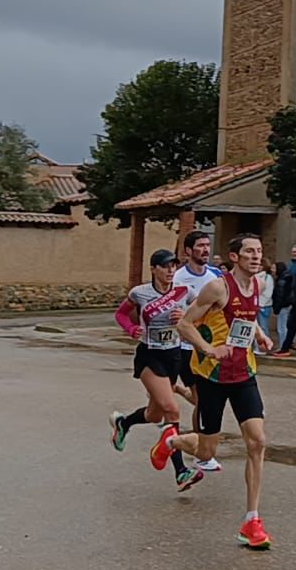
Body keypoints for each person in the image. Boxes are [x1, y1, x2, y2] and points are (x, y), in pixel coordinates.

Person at [154, 233, 275, 550]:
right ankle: (171, 441)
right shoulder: (218, 287)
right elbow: (185, 325)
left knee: (258, 442)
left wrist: (260, 335)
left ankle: (252, 520)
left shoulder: (258, 285)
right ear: (234, 256)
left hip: (244, 373)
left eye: (259, 251)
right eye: (249, 251)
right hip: (212, 377)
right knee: (206, 452)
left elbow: (246, 318)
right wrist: (208, 349)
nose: (255, 256)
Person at [109, 248, 203, 491]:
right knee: (171, 408)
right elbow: (121, 315)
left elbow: (203, 313)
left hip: (173, 355)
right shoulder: (140, 293)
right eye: (165, 266)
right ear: (153, 269)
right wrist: (131, 329)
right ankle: (181, 471)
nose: (170, 270)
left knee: (155, 415)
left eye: (173, 266)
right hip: (150, 356)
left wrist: (186, 316)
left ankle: (124, 422)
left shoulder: (184, 291)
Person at [172, 231, 226, 473]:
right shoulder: (178, 278)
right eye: (200, 246)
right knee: (203, 399)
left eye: (207, 245)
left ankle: (200, 444)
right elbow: (174, 310)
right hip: (187, 346)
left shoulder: (216, 276)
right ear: (188, 251)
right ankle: (200, 449)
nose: (205, 249)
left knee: (201, 399)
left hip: (213, 347)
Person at [255, 259, 276, 355]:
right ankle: (256, 347)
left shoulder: (268, 278)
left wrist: (261, 305)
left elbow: (268, 293)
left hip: (264, 306)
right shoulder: (254, 276)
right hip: (255, 305)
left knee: (263, 327)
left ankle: (264, 347)